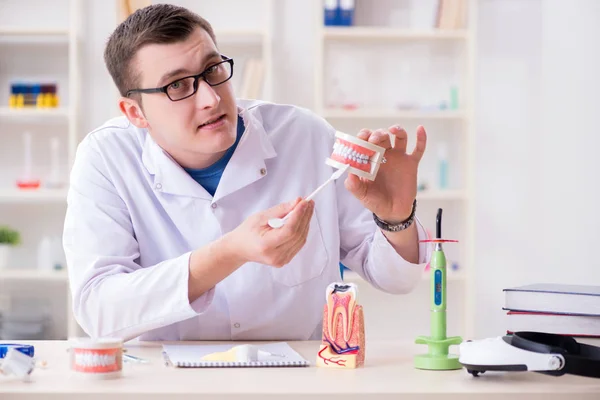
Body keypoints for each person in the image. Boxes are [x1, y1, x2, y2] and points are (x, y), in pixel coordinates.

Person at [63, 4, 430, 342]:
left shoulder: (304, 135)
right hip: (168, 381)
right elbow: (99, 311)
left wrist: (396, 217)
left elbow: (395, 280)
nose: (210, 98)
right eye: (177, 85)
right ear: (135, 113)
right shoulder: (106, 158)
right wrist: (229, 253)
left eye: (213, 70)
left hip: (299, 378)